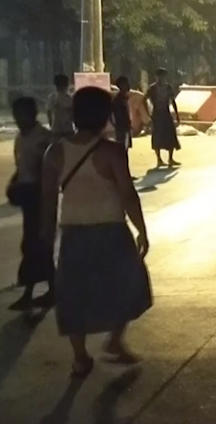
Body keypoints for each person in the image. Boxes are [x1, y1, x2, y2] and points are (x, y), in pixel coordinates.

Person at [41, 87, 152, 377]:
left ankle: (80, 357)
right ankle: (115, 341)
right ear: (106, 116)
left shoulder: (55, 152)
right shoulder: (112, 151)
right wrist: (141, 229)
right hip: (111, 230)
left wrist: (45, 238)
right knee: (130, 285)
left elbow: (48, 201)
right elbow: (128, 195)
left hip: (73, 232)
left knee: (74, 294)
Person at [8, 97, 55, 310]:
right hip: (27, 195)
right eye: (16, 116)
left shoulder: (44, 138)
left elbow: (51, 171)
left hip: (41, 197)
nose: (18, 120)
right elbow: (21, 166)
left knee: (40, 243)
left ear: (33, 114)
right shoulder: (20, 138)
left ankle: (45, 291)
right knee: (30, 244)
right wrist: (14, 182)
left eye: (22, 115)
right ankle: (35, 291)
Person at [145, 68, 180, 168]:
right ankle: (159, 159)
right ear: (156, 77)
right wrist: (147, 113)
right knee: (157, 136)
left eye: (163, 76)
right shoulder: (152, 88)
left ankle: (170, 158)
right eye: (159, 76)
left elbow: (173, 101)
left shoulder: (168, 87)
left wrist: (177, 115)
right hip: (156, 114)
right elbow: (144, 99)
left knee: (170, 135)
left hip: (166, 113)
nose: (161, 78)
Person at [47, 73, 74, 138]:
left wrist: (51, 124)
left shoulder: (52, 97)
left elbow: (48, 112)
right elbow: (73, 114)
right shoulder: (69, 98)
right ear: (67, 85)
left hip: (58, 129)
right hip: (66, 128)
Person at [112, 76, 133, 154]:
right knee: (122, 149)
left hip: (125, 127)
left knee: (125, 148)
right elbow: (117, 115)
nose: (128, 85)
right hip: (121, 128)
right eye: (126, 84)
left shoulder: (125, 98)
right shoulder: (118, 100)